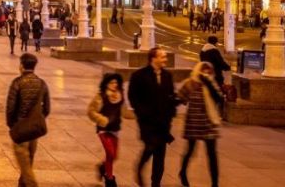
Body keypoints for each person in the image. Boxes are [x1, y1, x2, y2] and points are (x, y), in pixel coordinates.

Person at [128, 47, 178, 187]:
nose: (165, 59)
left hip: (163, 123)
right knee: (150, 147)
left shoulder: (167, 76)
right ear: (153, 58)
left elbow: (170, 96)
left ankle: (155, 183)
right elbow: (133, 97)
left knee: (160, 156)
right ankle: (140, 168)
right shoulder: (139, 75)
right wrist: (141, 113)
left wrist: (173, 108)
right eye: (162, 57)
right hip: (147, 122)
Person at [5, 52, 50, 187]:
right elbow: (47, 109)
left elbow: (10, 108)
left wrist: (12, 126)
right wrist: (36, 120)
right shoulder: (42, 84)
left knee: (26, 169)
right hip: (33, 131)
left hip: (21, 129)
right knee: (28, 163)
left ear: (22, 66)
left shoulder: (17, 83)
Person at [177, 62, 224, 187]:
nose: (206, 73)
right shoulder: (190, 83)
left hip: (209, 123)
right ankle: (182, 172)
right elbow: (180, 98)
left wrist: (208, 83)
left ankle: (215, 183)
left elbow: (219, 99)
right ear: (198, 71)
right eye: (204, 71)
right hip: (194, 122)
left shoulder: (212, 84)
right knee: (190, 150)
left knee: (212, 154)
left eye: (209, 71)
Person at [88, 73, 128, 187]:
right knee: (110, 153)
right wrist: (101, 119)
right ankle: (109, 179)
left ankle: (102, 167)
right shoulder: (101, 96)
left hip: (115, 128)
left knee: (114, 156)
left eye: (116, 82)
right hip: (103, 129)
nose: (114, 85)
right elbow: (91, 111)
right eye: (111, 82)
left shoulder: (120, 94)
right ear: (106, 84)